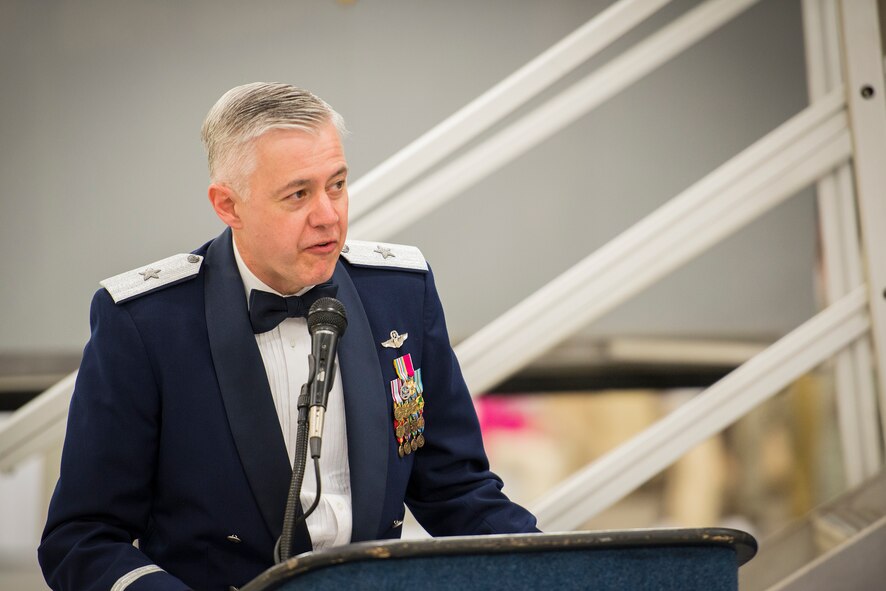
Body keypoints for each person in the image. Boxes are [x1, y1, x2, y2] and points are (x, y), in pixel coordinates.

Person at [38, 82, 538, 591]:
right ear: (228, 206)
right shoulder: (147, 323)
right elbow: (82, 538)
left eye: (337, 185)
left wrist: (567, 571)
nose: (328, 215)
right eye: (298, 194)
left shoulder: (400, 292)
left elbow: (457, 489)